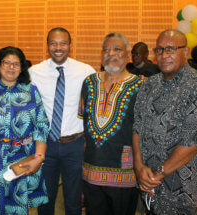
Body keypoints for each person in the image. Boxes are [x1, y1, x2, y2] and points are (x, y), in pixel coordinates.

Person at [132, 29, 197, 214]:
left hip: (186, 194)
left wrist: (158, 174)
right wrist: (139, 166)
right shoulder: (148, 85)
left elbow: (193, 142)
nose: (163, 55)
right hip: (151, 189)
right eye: (159, 50)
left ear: (185, 52)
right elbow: (137, 127)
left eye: (170, 49)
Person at [29, 27, 96, 215]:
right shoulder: (34, 72)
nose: (58, 47)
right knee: (45, 199)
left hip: (75, 145)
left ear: (70, 46)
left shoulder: (86, 71)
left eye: (63, 43)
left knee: (73, 199)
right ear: (47, 45)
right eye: (53, 43)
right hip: (45, 145)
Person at [0, 46, 49, 215]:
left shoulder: (31, 91)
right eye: (6, 63)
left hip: (21, 157)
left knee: (17, 206)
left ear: (22, 67)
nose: (11, 67)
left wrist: (39, 157)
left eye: (16, 64)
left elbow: (42, 125)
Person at [79, 33, 142, 215]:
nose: (110, 53)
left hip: (124, 170)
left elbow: (143, 131)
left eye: (117, 49)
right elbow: (84, 123)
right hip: (91, 168)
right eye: (106, 49)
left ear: (128, 55)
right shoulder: (89, 83)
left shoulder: (140, 86)